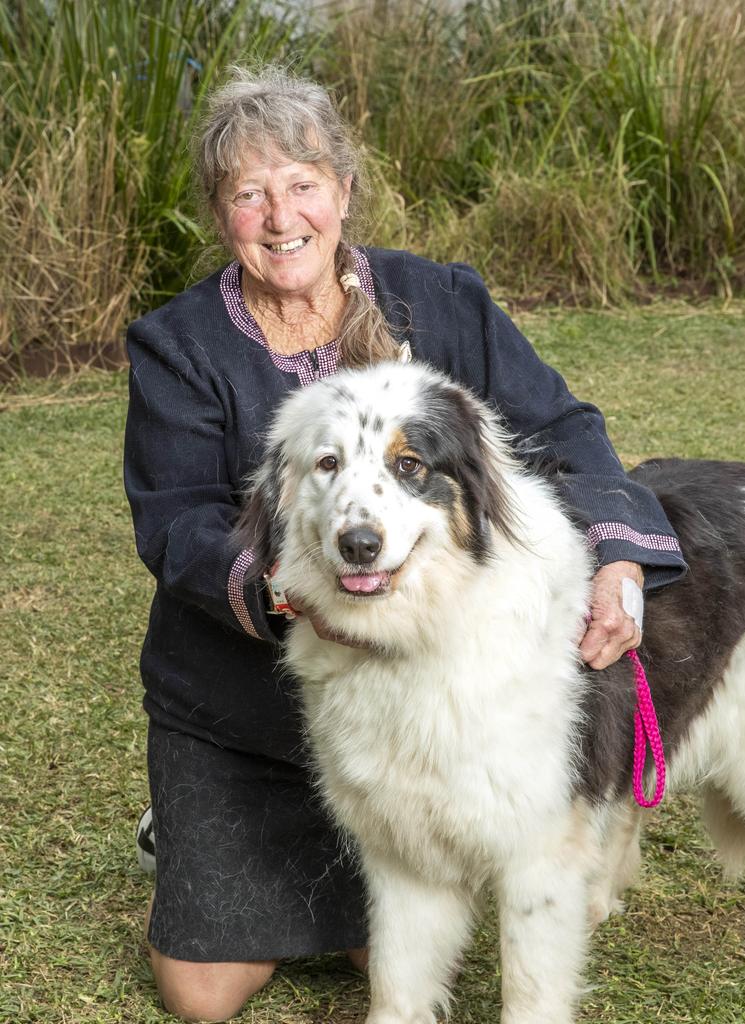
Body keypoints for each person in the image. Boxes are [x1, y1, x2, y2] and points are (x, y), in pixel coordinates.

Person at [124, 64, 686, 1022]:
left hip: (409, 704)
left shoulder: (443, 300)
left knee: (392, 928)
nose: (279, 214)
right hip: (242, 704)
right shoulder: (176, 346)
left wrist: (620, 556)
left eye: (302, 183)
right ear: (222, 215)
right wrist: (279, 593)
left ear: (343, 191)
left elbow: (560, 426)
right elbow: (176, 523)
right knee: (203, 995)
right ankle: (183, 823)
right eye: (247, 193)